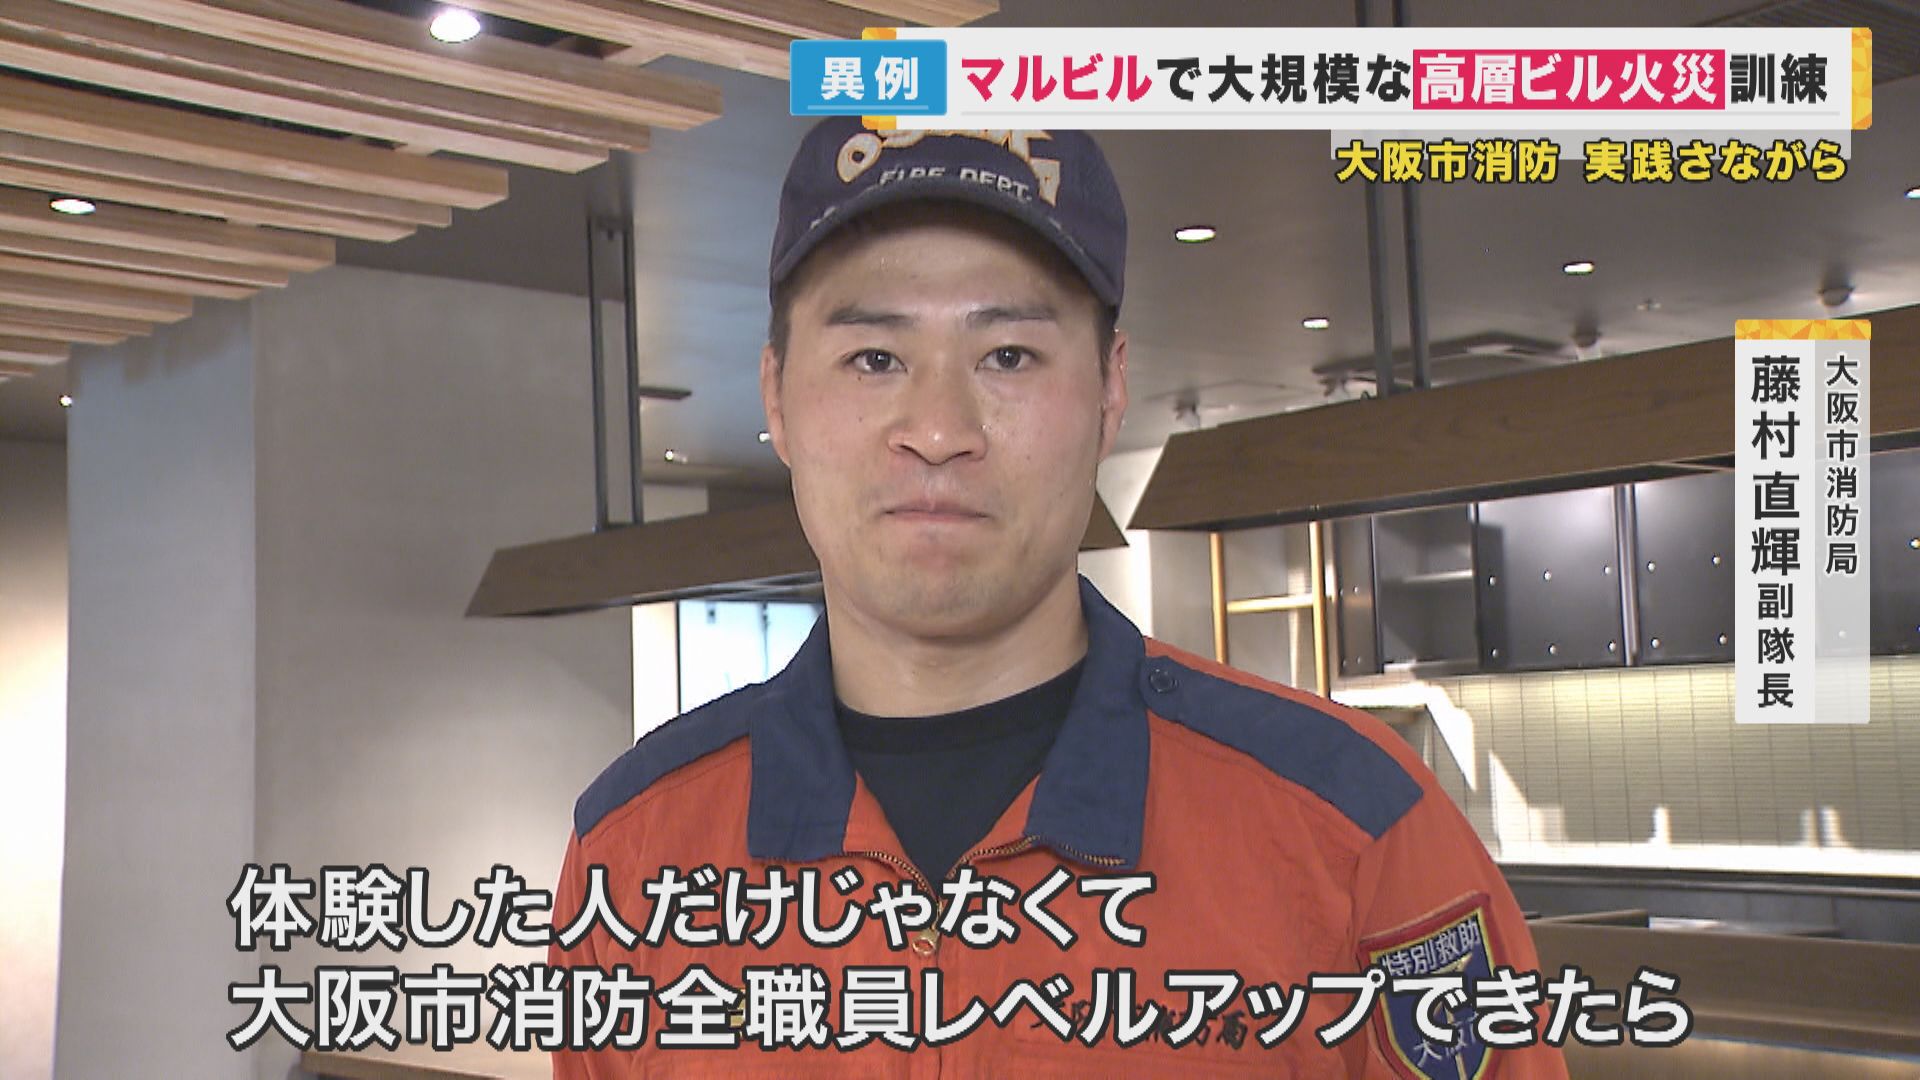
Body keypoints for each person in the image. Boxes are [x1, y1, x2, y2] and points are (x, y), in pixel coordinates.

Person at [549, 118, 1568, 1078]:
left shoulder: (1357, 828)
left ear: (1111, 390)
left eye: (1008, 356)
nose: (938, 429)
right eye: (874, 358)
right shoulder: (632, 855)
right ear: (776, 393)